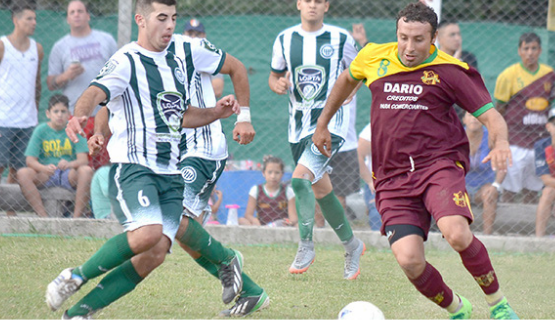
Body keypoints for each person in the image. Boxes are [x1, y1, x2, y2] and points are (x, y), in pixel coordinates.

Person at [313, 2, 518, 319]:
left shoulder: (452, 71)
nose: (409, 47)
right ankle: (457, 309)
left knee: (456, 233)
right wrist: (322, 124)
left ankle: (499, 305)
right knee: (409, 260)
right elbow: (345, 81)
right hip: (391, 177)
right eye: (403, 37)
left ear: (434, 37)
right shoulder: (373, 56)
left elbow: (492, 117)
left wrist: (501, 141)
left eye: (418, 39)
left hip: (439, 166)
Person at [45, 1, 242, 318]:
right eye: (161, 18)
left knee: (156, 253)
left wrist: (215, 113)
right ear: (140, 19)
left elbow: (180, 115)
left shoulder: (178, 59)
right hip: (134, 167)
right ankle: (75, 276)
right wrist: (78, 116)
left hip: (170, 172)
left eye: (173, 19)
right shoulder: (127, 60)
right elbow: (96, 93)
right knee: (148, 233)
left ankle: (80, 312)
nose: (169, 25)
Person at [268, 0, 366, 280]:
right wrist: (278, 85)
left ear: (327, 6)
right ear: (299, 3)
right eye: (307, 0)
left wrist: (353, 89)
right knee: (321, 191)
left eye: (319, 1)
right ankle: (353, 246)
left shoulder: (340, 38)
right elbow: (274, 78)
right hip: (297, 126)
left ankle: (306, 246)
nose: (312, 5)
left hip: (331, 123)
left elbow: (360, 68)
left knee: (299, 180)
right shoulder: (284, 39)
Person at [46, 0, 117, 170]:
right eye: (72, 12)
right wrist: (66, 75)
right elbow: (50, 83)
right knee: (81, 166)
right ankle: (80, 197)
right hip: (76, 116)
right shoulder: (60, 46)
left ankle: (100, 196)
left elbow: (118, 72)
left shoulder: (106, 40)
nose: (76, 15)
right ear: (68, 19)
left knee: (104, 164)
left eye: (80, 11)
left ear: (88, 16)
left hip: (104, 112)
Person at [494, 32, 555, 204]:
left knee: (533, 189)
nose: (530, 52)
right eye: (526, 48)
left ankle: (526, 228)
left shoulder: (549, 74)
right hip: (515, 141)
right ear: (519, 51)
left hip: (539, 141)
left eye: (534, 48)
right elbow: (500, 109)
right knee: (510, 189)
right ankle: (506, 226)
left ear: (540, 50)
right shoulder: (508, 75)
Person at [16, 94, 93, 218]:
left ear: (69, 114)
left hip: (68, 174)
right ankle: (44, 218)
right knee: (23, 173)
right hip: (46, 174)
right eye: (55, 111)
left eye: (63, 111)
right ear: (48, 114)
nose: (59, 115)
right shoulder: (40, 130)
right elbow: (30, 160)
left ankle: (76, 219)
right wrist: (43, 168)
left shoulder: (74, 130)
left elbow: (83, 160)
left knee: (86, 171)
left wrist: (69, 164)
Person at [0, 4, 43, 210]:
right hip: (3, 119)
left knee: (18, 170)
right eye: (29, 19)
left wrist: (34, 109)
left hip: (27, 121)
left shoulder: (38, 48)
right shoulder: (2, 46)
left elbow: (37, 83)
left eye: (35, 19)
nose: (34, 23)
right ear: (16, 20)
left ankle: (10, 213)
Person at [463, 112, 506, 235]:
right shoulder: (456, 135)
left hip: (483, 185)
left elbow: (502, 165)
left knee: (489, 194)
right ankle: (464, 237)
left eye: (477, 116)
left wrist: (496, 185)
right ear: (464, 120)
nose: (474, 119)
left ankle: (487, 236)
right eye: (470, 116)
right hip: (461, 184)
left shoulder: (491, 137)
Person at [240, 155, 298, 227]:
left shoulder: (288, 191)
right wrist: (255, 221)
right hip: (261, 226)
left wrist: (286, 222)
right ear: (263, 173)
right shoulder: (256, 190)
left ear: (282, 174)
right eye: (270, 172)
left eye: (277, 173)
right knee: (241, 220)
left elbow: (293, 218)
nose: (273, 176)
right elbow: (248, 215)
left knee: (297, 225)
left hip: (280, 226)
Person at [183, 18, 225, 99]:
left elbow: (218, 90)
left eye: (198, 34)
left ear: (204, 36)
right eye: (190, 34)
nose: (193, 37)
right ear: (183, 35)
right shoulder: (174, 54)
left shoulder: (210, 56)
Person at [533, 107, 555, 237]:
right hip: (552, 185)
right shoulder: (541, 146)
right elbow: (546, 179)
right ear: (548, 127)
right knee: (547, 192)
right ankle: (539, 238)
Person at [357, 123, 381, 231]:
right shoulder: (373, 127)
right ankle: (381, 244)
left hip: (409, 180)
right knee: (377, 213)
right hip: (378, 181)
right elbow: (359, 156)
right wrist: (370, 182)